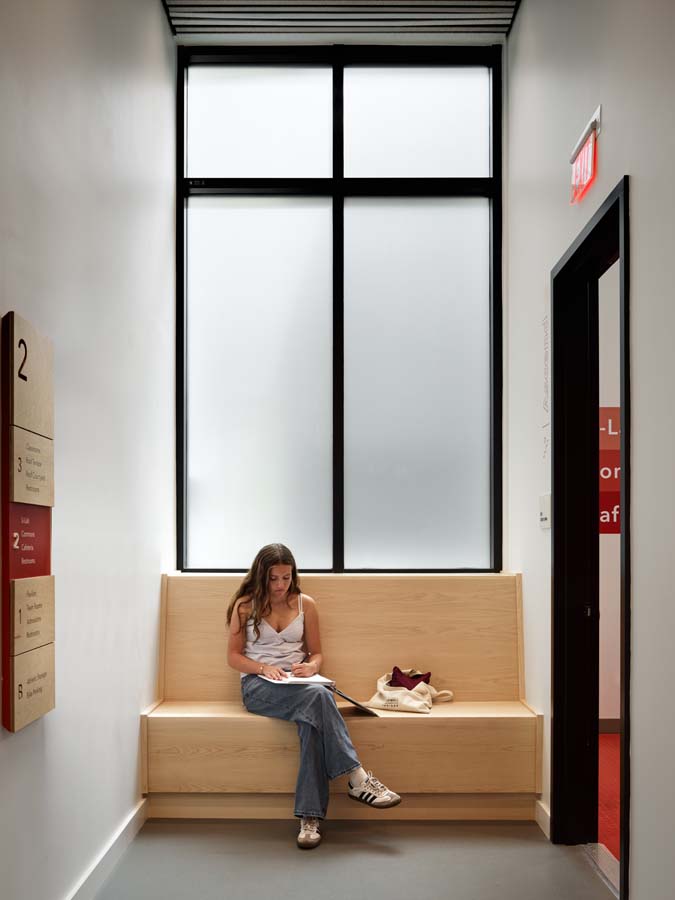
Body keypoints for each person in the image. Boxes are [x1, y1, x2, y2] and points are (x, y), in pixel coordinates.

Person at [226, 542, 401, 849]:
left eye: (286, 577)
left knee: (312, 721)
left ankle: (309, 820)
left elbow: (317, 653)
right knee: (319, 698)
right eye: (273, 578)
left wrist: (311, 667)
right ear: (260, 576)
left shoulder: (306, 604)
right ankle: (357, 778)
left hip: (299, 686)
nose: (281, 585)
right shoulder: (244, 606)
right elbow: (233, 658)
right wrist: (263, 667)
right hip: (258, 687)